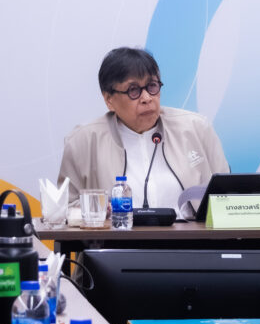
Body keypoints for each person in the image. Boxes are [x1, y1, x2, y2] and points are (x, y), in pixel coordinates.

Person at [58, 47, 228, 211]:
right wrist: (101, 211)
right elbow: (66, 209)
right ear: (109, 99)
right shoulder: (84, 141)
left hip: (192, 231)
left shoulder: (196, 128)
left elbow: (228, 196)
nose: (147, 98)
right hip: (119, 231)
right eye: (133, 90)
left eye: (152, 86)